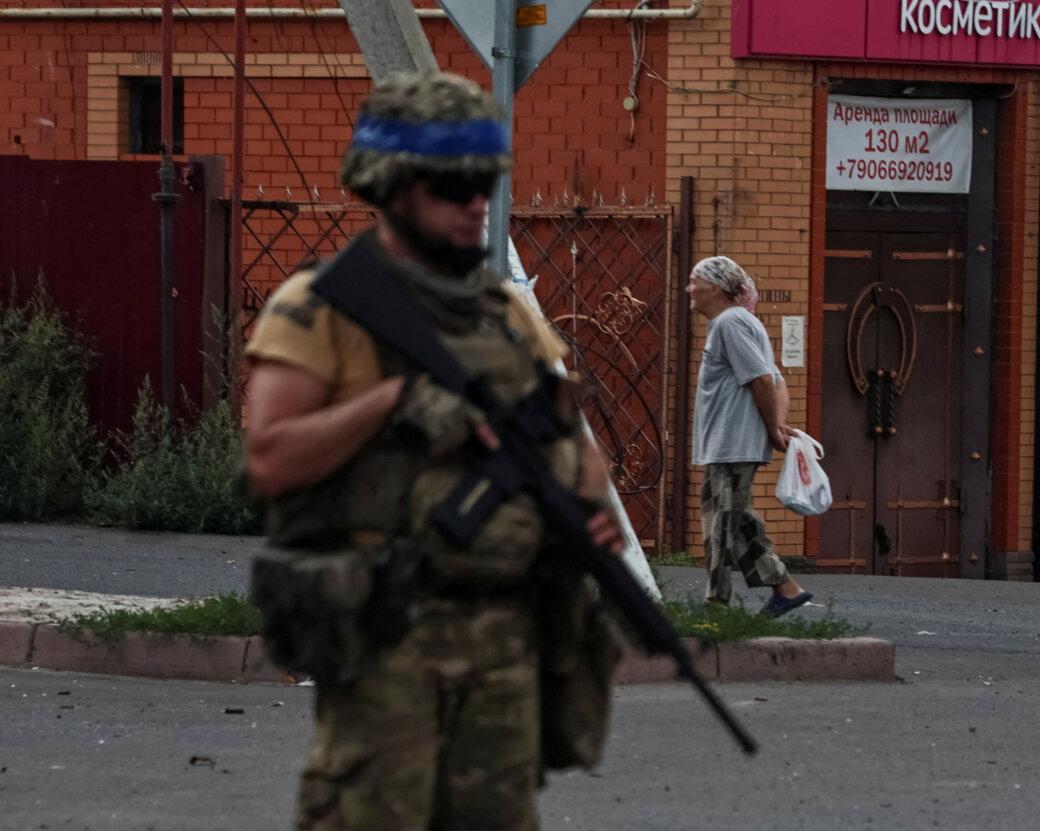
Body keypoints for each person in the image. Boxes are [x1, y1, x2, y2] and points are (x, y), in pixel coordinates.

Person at [242, 70, 621, 830]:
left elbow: (571, 435)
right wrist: (393, 401)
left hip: (504, 640)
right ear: (393, 186)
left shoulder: (505, 312)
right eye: (454, 186)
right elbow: (271, 459)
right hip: (390, 636)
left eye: (483, 182)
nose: (477, 202)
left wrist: (584, 507)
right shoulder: (319, 308)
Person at [687, 255, 814, 617]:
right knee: (735, 518)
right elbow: (775, 379)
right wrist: (775, 423)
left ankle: (717, 604)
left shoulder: (730, 322)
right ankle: (785, 589)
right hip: (729, 443)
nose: (689, 288)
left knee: (720, 523)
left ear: (715, 287)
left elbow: (762, 380)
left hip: (732, 443)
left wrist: (774, 428)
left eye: (695, 281)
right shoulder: (739, 322)